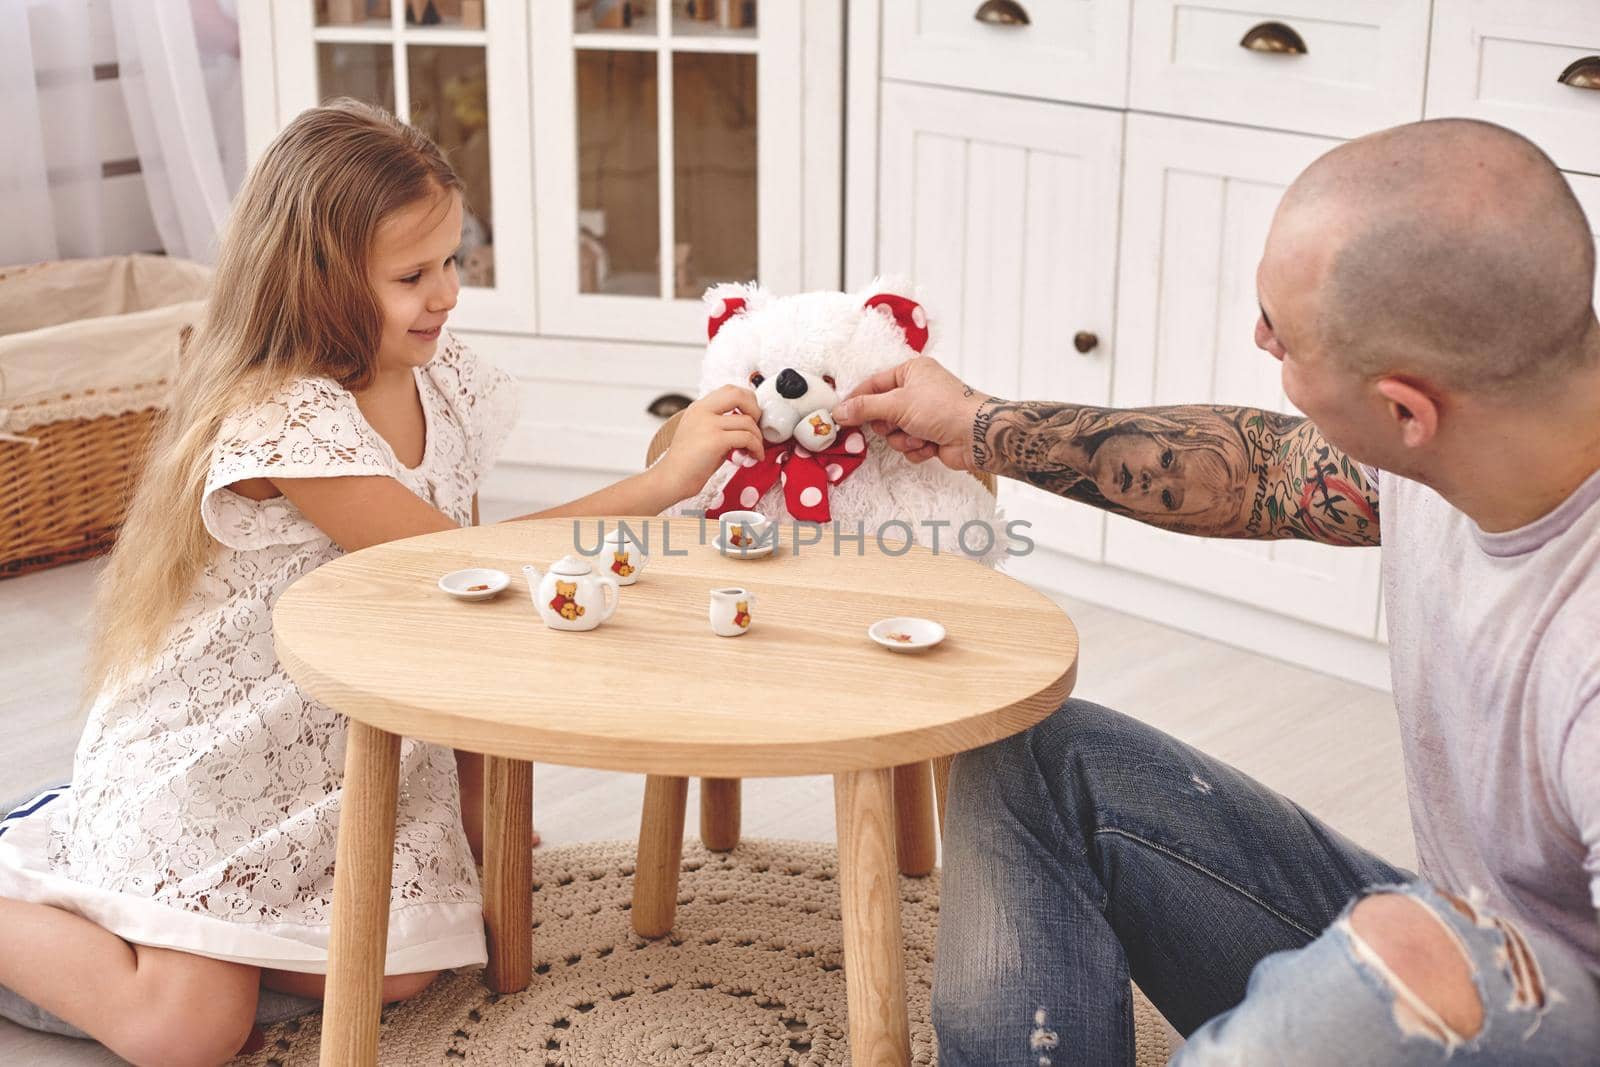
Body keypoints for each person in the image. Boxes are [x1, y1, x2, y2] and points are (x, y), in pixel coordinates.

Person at [0, 100, 761, 1067]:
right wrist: (660, 483)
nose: (445, 292)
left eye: (452, 260)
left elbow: (468, 612)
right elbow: (453, 567)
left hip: (340, 753)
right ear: (315, 283)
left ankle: (165, 937)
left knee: (406, 967)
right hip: (219, 760)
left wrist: (483, 822)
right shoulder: (289, 418)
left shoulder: (441, 381)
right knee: (185, 1031)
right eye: (412, 275)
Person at [831, 118, 1600, 1064]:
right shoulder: (1485, 422)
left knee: (1406, 963)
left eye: (1284, 335)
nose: (1259, 336)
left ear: (1406, 409)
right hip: (1456, 928)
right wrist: (980, 424)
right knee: (1032, 751)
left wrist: (1402, 988)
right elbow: (1266, 469)